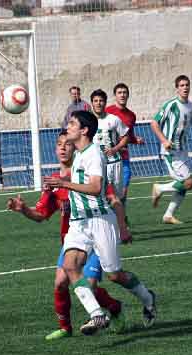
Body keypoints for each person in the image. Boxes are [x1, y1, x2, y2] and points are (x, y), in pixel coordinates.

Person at [44, 110, 156, 336]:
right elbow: (78, 174)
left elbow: (96, 188)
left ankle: (148, 297)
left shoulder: (94, 153)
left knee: (115, 274)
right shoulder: (79, 153)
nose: (69, 126)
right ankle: (97, 314)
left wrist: (64, 184)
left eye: (73, 123)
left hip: (99, 220)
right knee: (69, 266)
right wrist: (64, 180)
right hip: (79, 223)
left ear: (84, 130)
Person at [7, 131, 126, 340]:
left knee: (88, 285)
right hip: (72, 241)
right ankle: (65, 327)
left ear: (76, 148)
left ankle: (113, 309)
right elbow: (41, 215)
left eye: (68, 144)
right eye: (59, 144)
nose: (63, 148)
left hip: (96, 238)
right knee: (60, 283)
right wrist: (23, 209)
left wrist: (123, 227)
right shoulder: (54, 183)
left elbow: (113, 200)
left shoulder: (90, 173)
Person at [150, 75, 192, 224]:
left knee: (185, 185)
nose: (185, 87)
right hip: (171, 151)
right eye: (182, 85)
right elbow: (154, 123)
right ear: (177, 88)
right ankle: (159, 188)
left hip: (183, 150)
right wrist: (164, 140)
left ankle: (168, 215)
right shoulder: (171, 105)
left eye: (187, 85)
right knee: (189, 182)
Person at [106, 83, 145, 207]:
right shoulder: (107, 111)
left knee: (123, 192)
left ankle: (122, 219)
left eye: (124, 92)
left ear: (128, 95)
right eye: (119, 92)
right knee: (107, 192)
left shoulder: (131, 115)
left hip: (124, 157)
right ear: (115, 95)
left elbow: (128, 135)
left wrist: (135, 140)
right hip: (108, 158)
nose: (122, 95)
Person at [91, 89, 129, 201]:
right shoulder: (87, 120)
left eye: (101, 100)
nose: (98, 103)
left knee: (118, 197)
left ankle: (120, 218)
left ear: (105, 102)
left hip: (114, 162)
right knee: (99, 196)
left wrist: (115, 148)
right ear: (92, 103)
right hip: (96, 164)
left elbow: (125, 136)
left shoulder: (114, 119)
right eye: (95, 100)